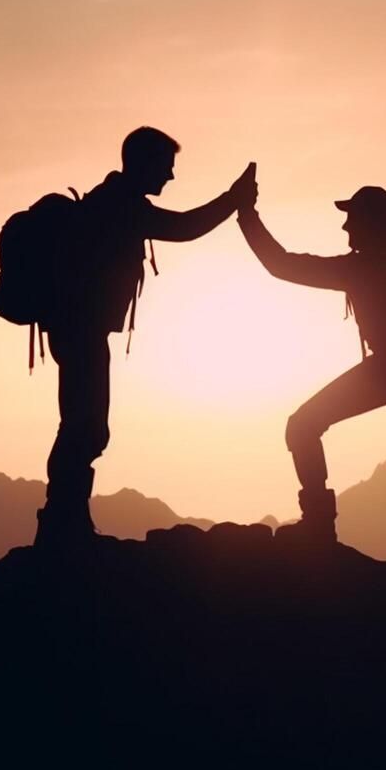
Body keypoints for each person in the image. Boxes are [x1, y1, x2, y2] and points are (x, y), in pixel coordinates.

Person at [236, 175, 386, 578]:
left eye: (351, 218)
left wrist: (246, 215)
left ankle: (318, 527)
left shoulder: (363, 267)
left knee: (302, 426)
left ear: (369, 222)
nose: (345, 227)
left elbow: (282, 265)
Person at [37, 127, 256, 543]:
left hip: (77, 329)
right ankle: (62, 523)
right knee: (85, 427)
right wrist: (234, 199)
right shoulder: (120, 207)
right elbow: (186, 227)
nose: (170, 177)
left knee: (82, 425)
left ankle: (65, 520)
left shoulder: (114, 202)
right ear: (144, 163)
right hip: (81, 330)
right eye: (167, 167)